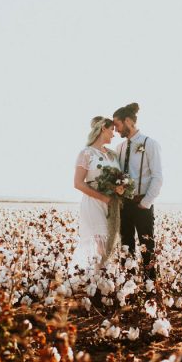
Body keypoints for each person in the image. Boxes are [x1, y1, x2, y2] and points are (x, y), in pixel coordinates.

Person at [113, 103, 163, 280]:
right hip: (123, 206)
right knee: (126, 247)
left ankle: (151, 286)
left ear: (128, 121)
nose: (116, 130)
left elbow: (157, 177)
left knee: (147, 247)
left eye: (117, 125)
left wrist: (145, 202)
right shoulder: (119, 148)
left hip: (142, 205)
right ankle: (129, 286)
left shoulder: (150, 144)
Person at [71, 116, 121, 273]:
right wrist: (102, 197)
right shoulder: (86, 153)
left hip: (112, 204)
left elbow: (119, 178)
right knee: (101, 242)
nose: (114, 134)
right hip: (93, 202)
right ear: (103, 128)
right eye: (112, 130)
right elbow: (78, 183)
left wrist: (120, 188)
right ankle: (97, 278)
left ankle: (102, 278)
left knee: (111, 242)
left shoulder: (113, 155)